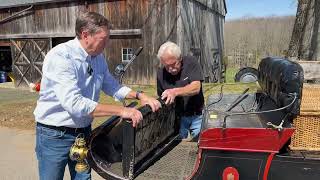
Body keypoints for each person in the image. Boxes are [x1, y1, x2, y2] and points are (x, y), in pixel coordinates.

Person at [33, 12, 161, 180]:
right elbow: (75, 104)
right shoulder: (61, 57)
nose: (106, 44)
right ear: (85, 35)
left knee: (83, 178)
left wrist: (140, 95)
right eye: (103, 39)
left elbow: (111, 85)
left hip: (83, 133)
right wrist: (122, 111)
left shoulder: (97, 57)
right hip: (55, 135)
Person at [156, 41, 204, 141]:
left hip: (197, 115)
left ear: (180, 58)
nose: (171, 69)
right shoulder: (161, 74)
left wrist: (175, 92)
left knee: (199, 144)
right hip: (177, 118)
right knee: (178, 147)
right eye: (166, 66)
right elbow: (162, 97)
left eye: (173, 64)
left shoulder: (191, 62)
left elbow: (196, 87)